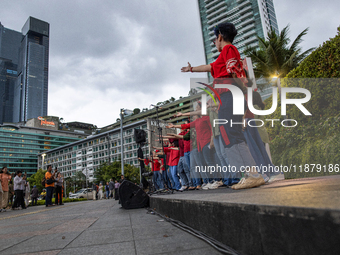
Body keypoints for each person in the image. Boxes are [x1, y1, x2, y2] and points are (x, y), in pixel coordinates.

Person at [181, 22, 265, 190]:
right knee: (229, 134)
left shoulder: (229, 49)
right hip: (227, 97)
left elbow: (235, 71)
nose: (214, 42)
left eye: (215, 38)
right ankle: (249, 174)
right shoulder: (222, 56)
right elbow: (210, 67)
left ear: (219, 36)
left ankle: (253, 174)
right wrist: (192, 69)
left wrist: (243, 94)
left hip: (230, 95)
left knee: (231, 134)